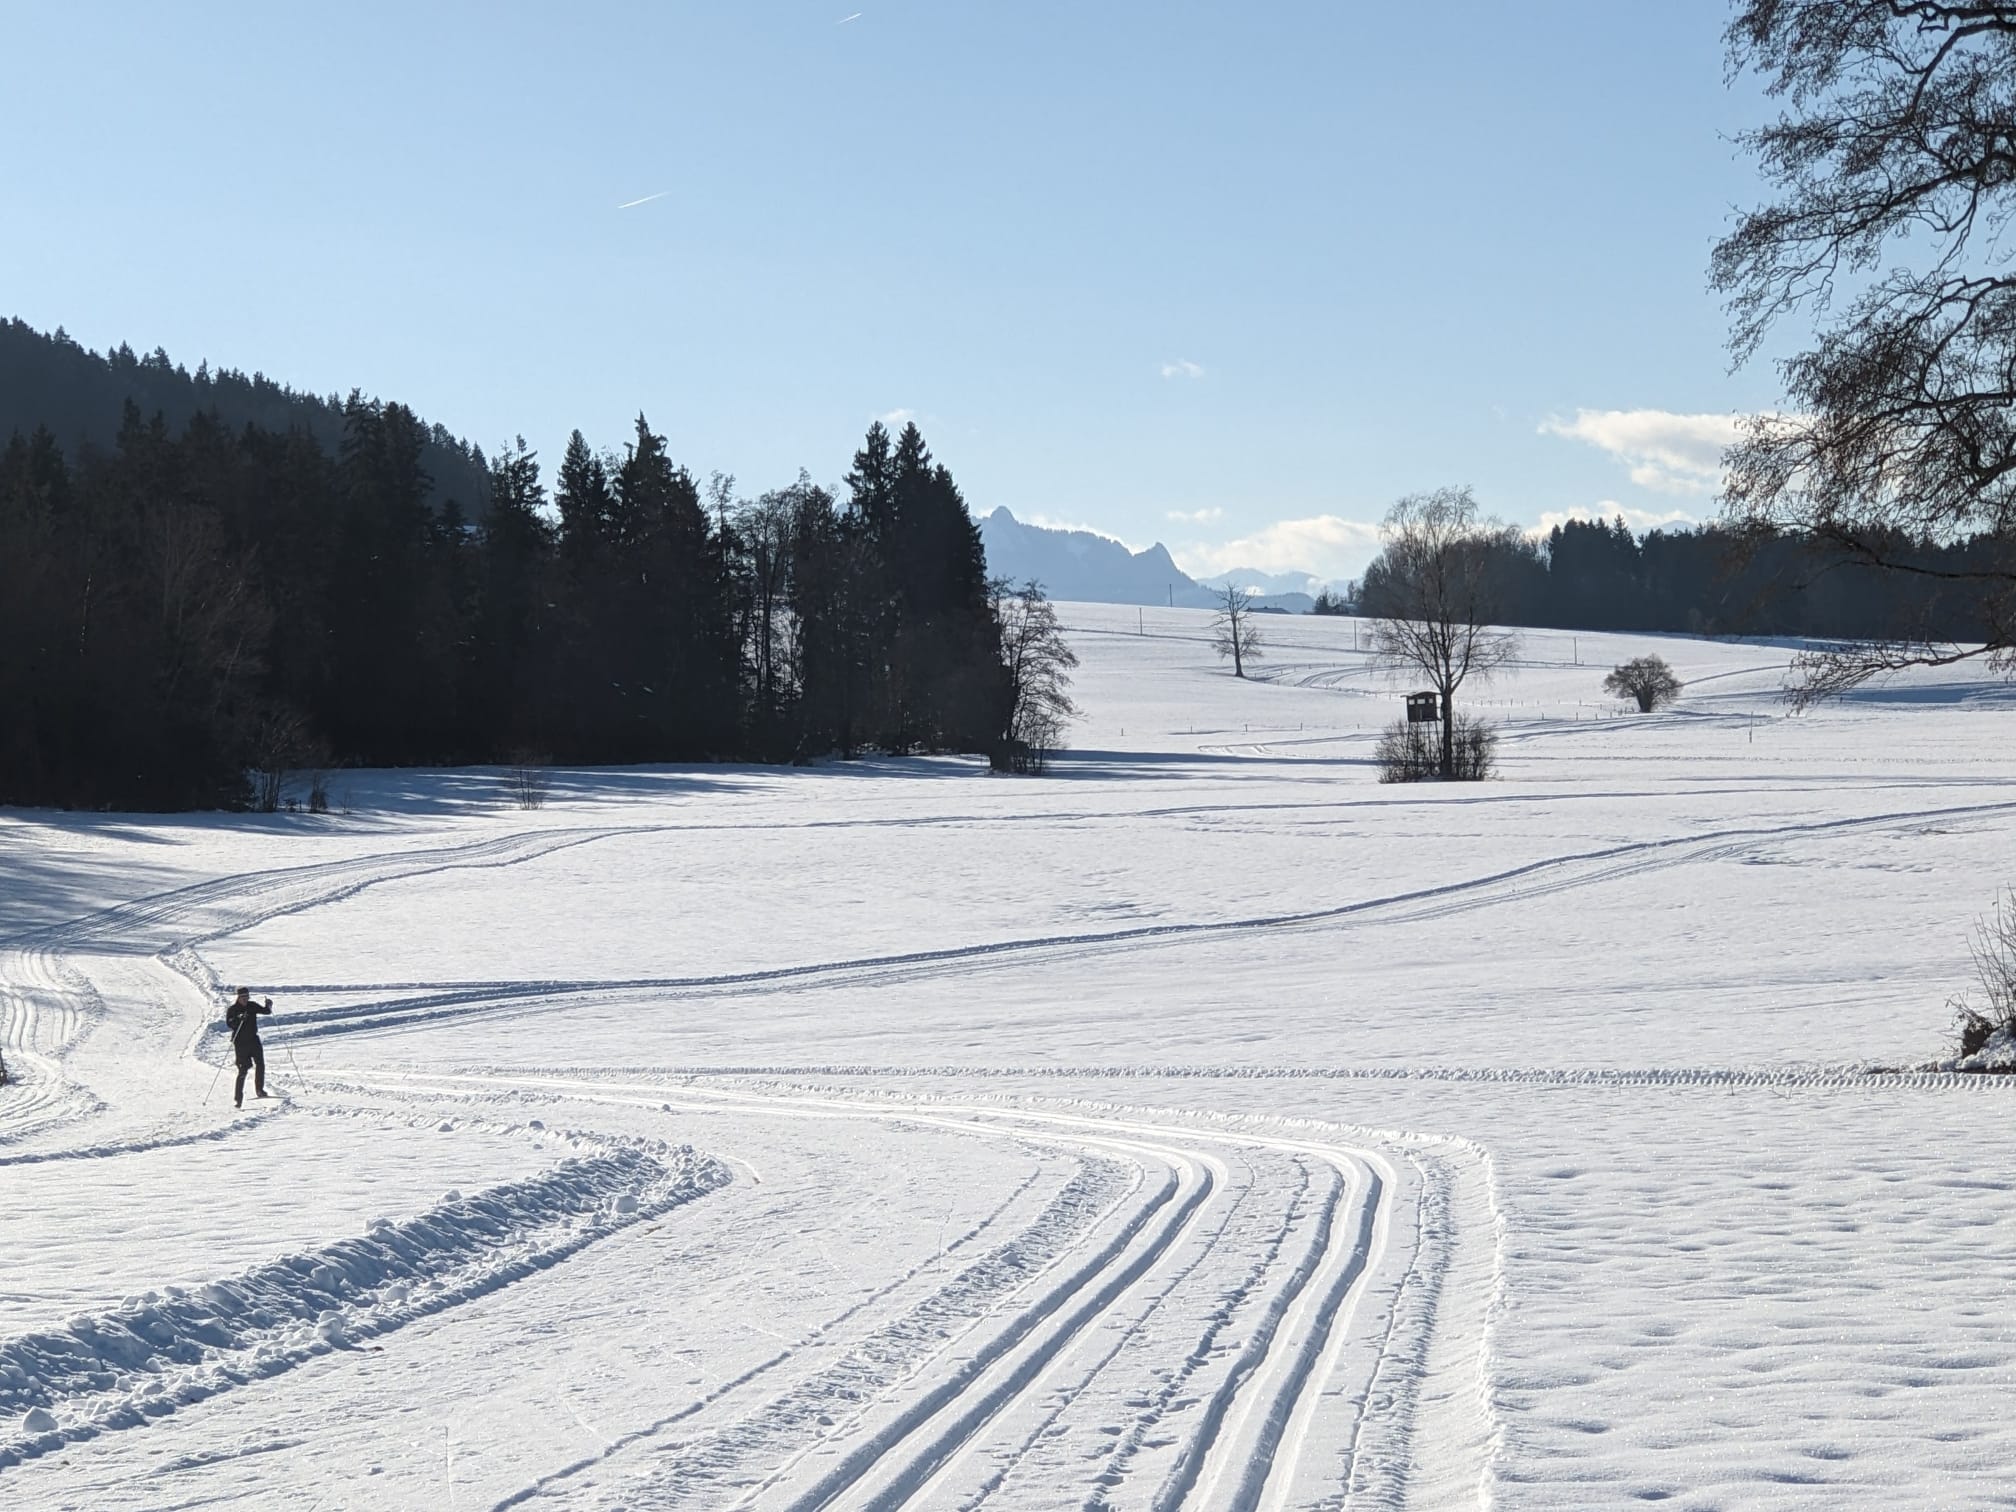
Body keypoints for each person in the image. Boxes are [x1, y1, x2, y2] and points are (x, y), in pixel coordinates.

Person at [226, 987, 273, 1108]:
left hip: (253, 1040)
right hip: (241, 1043)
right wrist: (238, 1019)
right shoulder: (233, 1009)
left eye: (247, 997)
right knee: (243, 1070)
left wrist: (268, 1005)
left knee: (260, 1064)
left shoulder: (251, 1006)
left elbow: (265, 1011)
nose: (246, 1000)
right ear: (238, 997)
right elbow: (230, 1023)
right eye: (243, 997)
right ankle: (238, 1099)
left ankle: (259, 1090)